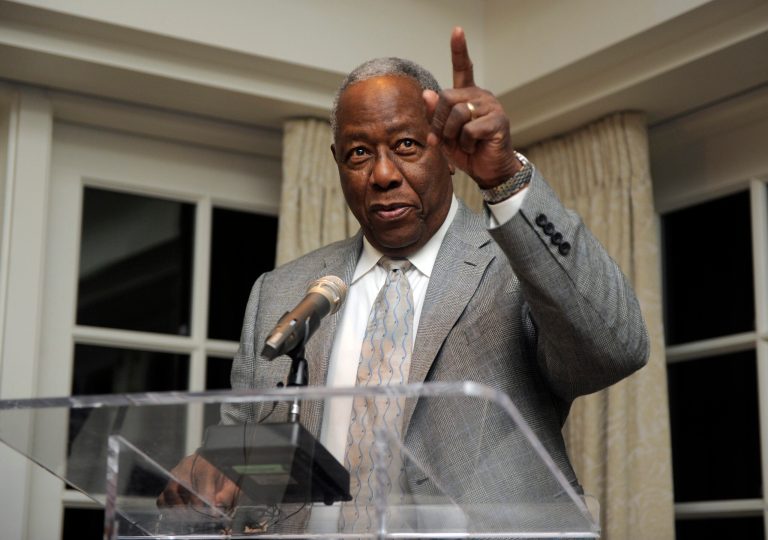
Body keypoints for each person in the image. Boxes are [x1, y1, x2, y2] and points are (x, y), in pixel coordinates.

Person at [158, 27, 649, 525]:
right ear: (337, 162)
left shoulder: (519, 269)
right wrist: (209, 473)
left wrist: (504, 177)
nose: (383, 174)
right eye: (359, 153)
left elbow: (617, 348)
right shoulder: (281, 292)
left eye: (407, 144)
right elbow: (238, 452)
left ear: (448, 152)